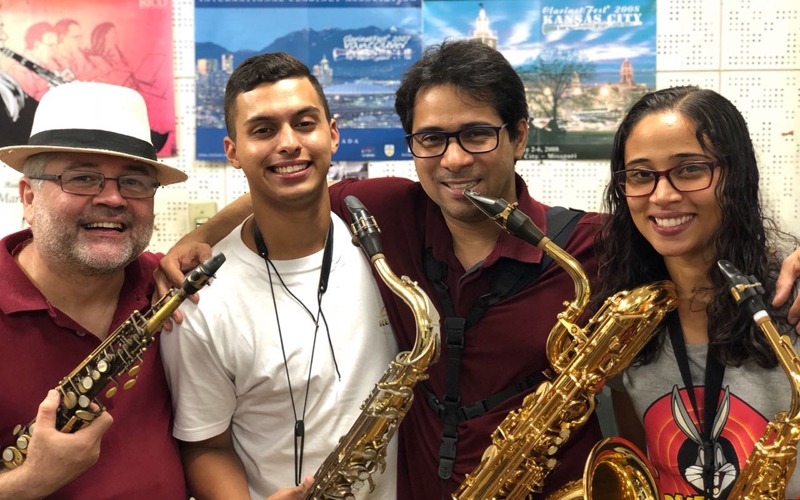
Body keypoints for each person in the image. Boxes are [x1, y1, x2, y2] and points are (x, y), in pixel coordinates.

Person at [157, 41, 800, 499]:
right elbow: (292, 176)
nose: (454, 160)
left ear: (520, 135)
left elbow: (697, 229)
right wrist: (202, 232)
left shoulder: (593, 244)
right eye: (431, 139)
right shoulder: (390, 212)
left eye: (477, 135)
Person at [158, 52, 399, 500]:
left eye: (304, 124)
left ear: (333, 134)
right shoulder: (200, 300)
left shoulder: (391, 240)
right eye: (263, 130)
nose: (288, 143)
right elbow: (205, 445)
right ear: (232, 151)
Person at [596, 86, 800, 499]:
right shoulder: (626, 320)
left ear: (736, 176)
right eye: (640, 175)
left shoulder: (792, 298)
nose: (663, 195)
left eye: (689, 169)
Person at [0, 81, 189, 499]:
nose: (114, 199)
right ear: (29, 197)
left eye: (135, 182)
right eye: (82, 178)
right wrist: (28, 482)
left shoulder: (166, 283)